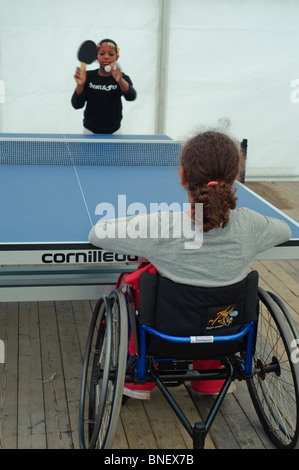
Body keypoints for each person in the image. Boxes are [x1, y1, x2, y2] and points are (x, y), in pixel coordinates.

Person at [88, 130, 292, 398]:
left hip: (166, 335)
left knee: (139, 279)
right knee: (216, 304)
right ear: (234, 180)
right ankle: (210, 381)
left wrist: (140, 220)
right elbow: (285, 230)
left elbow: (97, 234)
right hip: (226, 335)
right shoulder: (250, 224)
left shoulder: (162, 225)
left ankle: (140, 381)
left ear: (183, 177)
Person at [71, 38, 136, 134]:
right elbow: (77, 105)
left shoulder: (121, 77)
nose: (106, 57)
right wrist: (80, 85)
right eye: (102, 54)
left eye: (111, 54)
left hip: (114, 132)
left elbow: (131, 96)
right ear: (96, 57)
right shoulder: (88, 77)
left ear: (116, 57)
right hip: (90, 132)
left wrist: (120, 81)